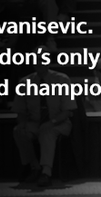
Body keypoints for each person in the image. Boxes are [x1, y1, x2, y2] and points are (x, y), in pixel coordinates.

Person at [12, 46, 76, 187]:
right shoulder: (25, 83)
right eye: (36, 59)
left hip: (60, 122)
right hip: (35, 123)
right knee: (18, 131)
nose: (40, 62)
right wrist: (22, 124)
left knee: (47, 131)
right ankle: (35, 167)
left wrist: (52, 122)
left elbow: (67, 111)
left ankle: (46, 172)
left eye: (43, 59)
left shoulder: (62, 79)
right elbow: (20, 111)